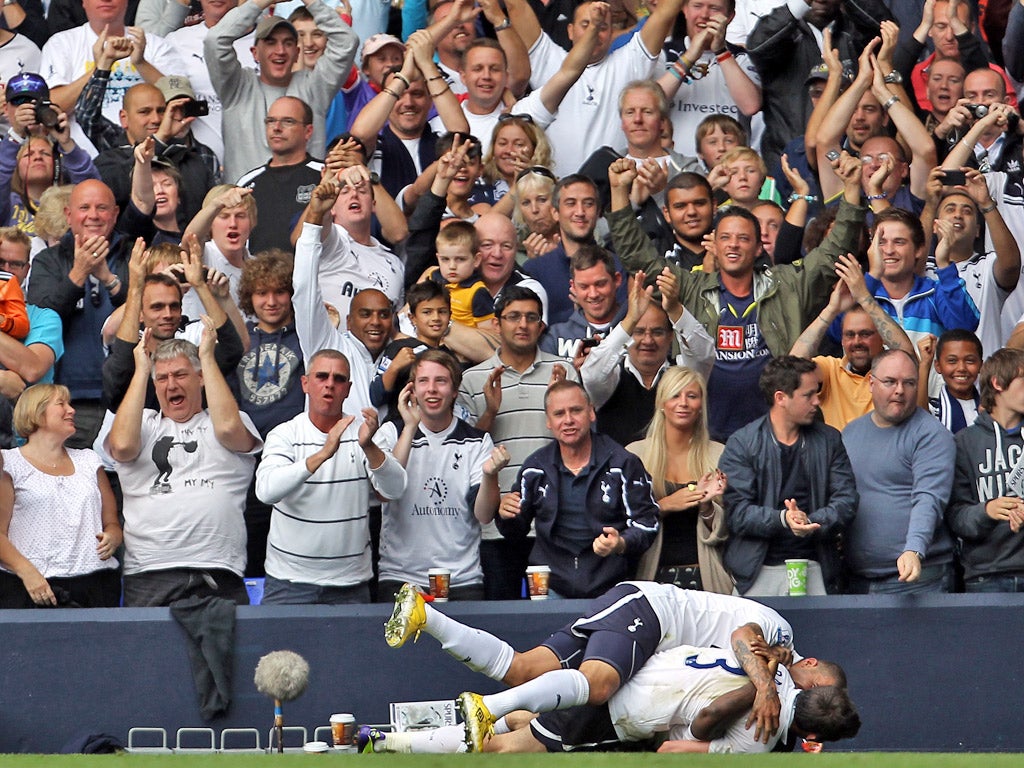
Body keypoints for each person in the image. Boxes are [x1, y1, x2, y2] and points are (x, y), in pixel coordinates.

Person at [608, 152, 867, 442]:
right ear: (714, 247)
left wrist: (854, 187)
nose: (733, 245)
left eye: (743, 238)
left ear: (759, 248)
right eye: (726, 238)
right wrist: (619, 192)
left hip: (781, 435)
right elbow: (638, 258)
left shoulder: (788, 284)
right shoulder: (690, 287)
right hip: (707, 436)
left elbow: (835, 249)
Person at [385, 580, 799, 748]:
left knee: (524, 670)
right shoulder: (780, 640)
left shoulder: (774, 667)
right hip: (655, 613)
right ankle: (490, 708)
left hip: (640, 625)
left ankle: (426, 616)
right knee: (596, 685)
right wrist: (766, 689)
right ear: (809, 664)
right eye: (810, 687)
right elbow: (743, 638)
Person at [365, 648, 858, 754]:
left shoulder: (771, 660)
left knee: (529, 720)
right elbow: (671, 751)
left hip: (635, 665)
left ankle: (442, 721)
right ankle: (386, 745)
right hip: (623, 713)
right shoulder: (762, 735)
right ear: (812, 736)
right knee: (508, 750)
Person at [106, 326, 262, 607]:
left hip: (218, 570)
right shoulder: (143, 423)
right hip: (148, 573)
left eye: (180, 375)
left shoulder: (230, 420)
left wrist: (208, 357)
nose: (171, 385)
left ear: (201, 378)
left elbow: (228, 429)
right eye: (162, 378)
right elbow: (121, 447)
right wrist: (142, 371)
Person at [456, 285, 580, 599]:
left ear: (541, 325)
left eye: (530, 317)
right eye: (513, 317)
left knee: (553, 623)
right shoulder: (473, 379)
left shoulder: (564, 373)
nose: (522, 325)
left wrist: (558, 401)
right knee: (503, 620)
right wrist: (491, 411)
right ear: (497, 324)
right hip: (498, 522)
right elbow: (465, 453)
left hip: (555, 524)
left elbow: (579, 446)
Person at [255, 349, 406, 604]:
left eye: (338, 379)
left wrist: (369, 447)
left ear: (347, 389)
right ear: (305, 384)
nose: (329, 385)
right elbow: (266, 491)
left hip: (350, 584)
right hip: (288, 582)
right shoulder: (285, 434)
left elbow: (395, 490)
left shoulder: (366, 433)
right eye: (321, 376)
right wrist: (323, 454)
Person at [495, 380, 660, 599]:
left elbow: (648, 523)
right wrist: (505, 513)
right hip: (549, 588)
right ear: (548, 422)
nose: (568, 420)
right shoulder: (534, 467)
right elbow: (515, 532)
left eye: (576, 410)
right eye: (559, 414)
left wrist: (621, 543)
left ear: (591, 413)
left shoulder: (624, 463)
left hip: (612, 588)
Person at [720, 356, 858, 596]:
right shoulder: (742, 443)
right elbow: (737, 513)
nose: (817, 401)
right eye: (808, 395)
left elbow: (847, 500)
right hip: (758, 571)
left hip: (817, 567)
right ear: (781, 398)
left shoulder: (829, 439)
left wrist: (811, 521)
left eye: (817, 392)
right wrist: (783, 519)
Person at [375, 350, 507, 601]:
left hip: (461, 578)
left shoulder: (477, 441)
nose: (432, 389)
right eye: (423, 381)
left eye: (441, 381)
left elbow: (484, 515)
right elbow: (385, 491)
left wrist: (490, 475)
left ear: (455, 391)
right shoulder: (391, 432)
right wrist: (411, 427)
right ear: (412, 390)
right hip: (400, 577)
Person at [842, 349, 957, 593]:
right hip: (856, 579)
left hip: (918, 579)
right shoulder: (850, 433)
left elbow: (929, 499)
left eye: (909, 383)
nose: (900, 390)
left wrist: (914, 549)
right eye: (890, 381)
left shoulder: (931, 435)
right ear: (871, 383)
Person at [205, 0, 356, 182]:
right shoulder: (237, 86)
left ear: (297, 52)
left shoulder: (315, 86)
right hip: (244, 205)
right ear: (254, 53)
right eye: (270, 42)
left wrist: (312, 2)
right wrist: (260, 3)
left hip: (306, 205)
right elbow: (215, 40)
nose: (280, 50)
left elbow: (347, 41)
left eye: (288, 43)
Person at [0, 383, 121, 608]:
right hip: (30, 588)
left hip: (95, 584)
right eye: (61, 404)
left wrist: (113, 536)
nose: (72, 410)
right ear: (36, 412)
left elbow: (111, 522)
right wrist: (27, 572)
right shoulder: (8, 463)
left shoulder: (89, 460)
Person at [582, 268, 715, 445]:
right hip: (619, 471)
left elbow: (704, 355)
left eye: (657, 332)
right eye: (638, 331)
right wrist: (630, 319)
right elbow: (591, 376)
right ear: (627, 335)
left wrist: (675, 309)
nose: (648, 340)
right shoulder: (612, 377)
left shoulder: (682, 374)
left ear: (670, 337)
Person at [628, 367, 730, 593]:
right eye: (675, 395)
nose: (683, 403)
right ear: (661, 403)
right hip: (649, 576)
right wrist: (664, 505)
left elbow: (728, 530)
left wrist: (706, 506)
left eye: (692, 396)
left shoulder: (719, 454)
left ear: (701, 405)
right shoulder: (634, 455)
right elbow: (623, 524)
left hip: (705, 576)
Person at [790, 252, 916, 431]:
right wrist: (832, 310)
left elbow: (907, 354)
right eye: (849, 335)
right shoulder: (831, 370)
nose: (857, 342)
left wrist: (864, 297)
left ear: (881, 336)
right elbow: (792, 365)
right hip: (839, 458)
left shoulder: (893, 374)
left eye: (865, 334)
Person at [948, 348, 1024, 592]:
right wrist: (987, 510)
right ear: (998, 383)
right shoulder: (964, 443)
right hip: (986, 575)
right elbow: (955, 517)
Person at [236, 96, 323, 254]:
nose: (276, 127)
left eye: (287, 121)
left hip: (317, 275)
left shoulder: (325, 175)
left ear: (308, 131)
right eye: (270, 121)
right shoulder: (246, 183)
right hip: (258, 276)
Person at [919, 328, 983, 433]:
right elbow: (919, 420)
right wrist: (925, 363)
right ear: (938, 366)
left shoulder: (991, 409)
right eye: (952, 361)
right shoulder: (934, 408)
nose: (961, 368)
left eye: (969, 360)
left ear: (981, 365)